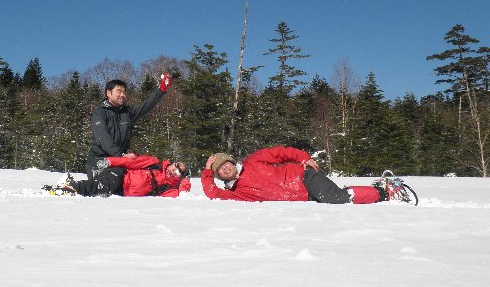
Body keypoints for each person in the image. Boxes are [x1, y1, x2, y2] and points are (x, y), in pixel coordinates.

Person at [201, 145, 408, 204]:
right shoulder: (237, 193)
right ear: (220, 176)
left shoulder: (253, 160)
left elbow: (281, 152)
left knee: (334, 197)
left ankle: (385, 191)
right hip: (305, 196)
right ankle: (376, 188)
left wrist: (303, 158)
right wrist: (206, 171)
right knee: (334, 196)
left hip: (303, 177)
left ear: (231, 161)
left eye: (225, 163)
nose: (225, 168)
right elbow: (212, 194)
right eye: (219, 170)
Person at [86, 74, 173, 181]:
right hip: (99, 161)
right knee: (118, 178)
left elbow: (146, 105)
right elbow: (102, 138)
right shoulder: (99, 113)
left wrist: (161, 90)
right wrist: (121, 155)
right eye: (119, 91)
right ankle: (74, 186)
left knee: (149, 169)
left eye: (124, 92)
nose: (122, 94)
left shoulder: (127, 113)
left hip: (121, 161)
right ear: (108, 93)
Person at [53, 155, 191, 198]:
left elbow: (182, 196)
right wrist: (110, 161)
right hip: (120, 175)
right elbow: (131, 162)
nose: (176, 169)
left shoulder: (168, 189)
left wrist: (185, 182)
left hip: (122, 192)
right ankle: (72, 187)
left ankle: (70, 183)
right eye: (177, 165)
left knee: (102, 192)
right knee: (102, 187)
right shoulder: (154, 163)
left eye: (180, 171)